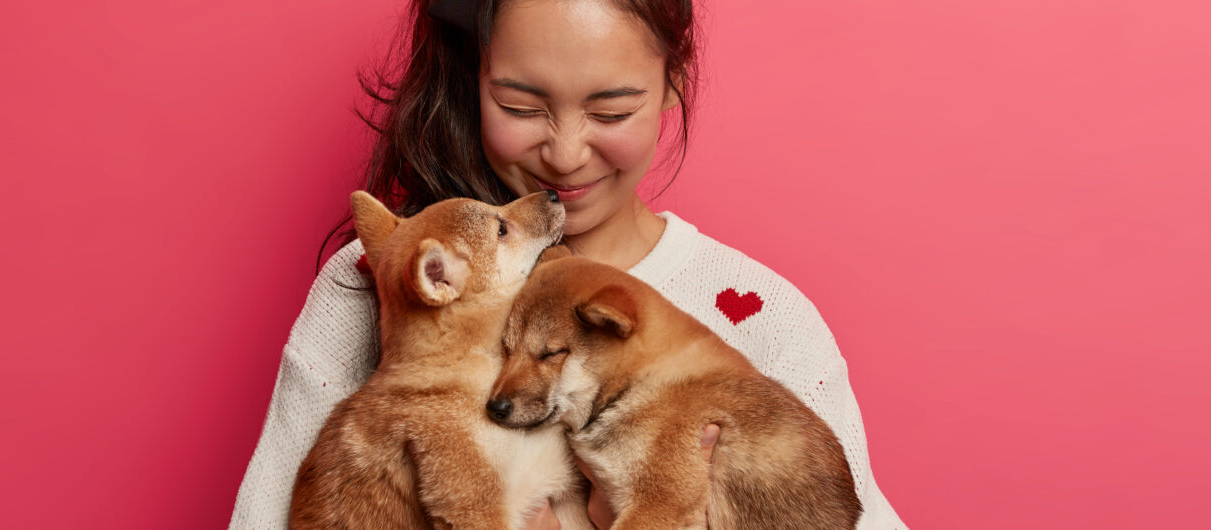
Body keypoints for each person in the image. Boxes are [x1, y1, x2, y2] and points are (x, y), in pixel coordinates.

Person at [230, 0, 907, 528]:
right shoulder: (383, 283)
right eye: (520, 106)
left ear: (673, 81)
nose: (565, 152)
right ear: (475, 77)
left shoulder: (762, 315)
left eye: (613, 107)